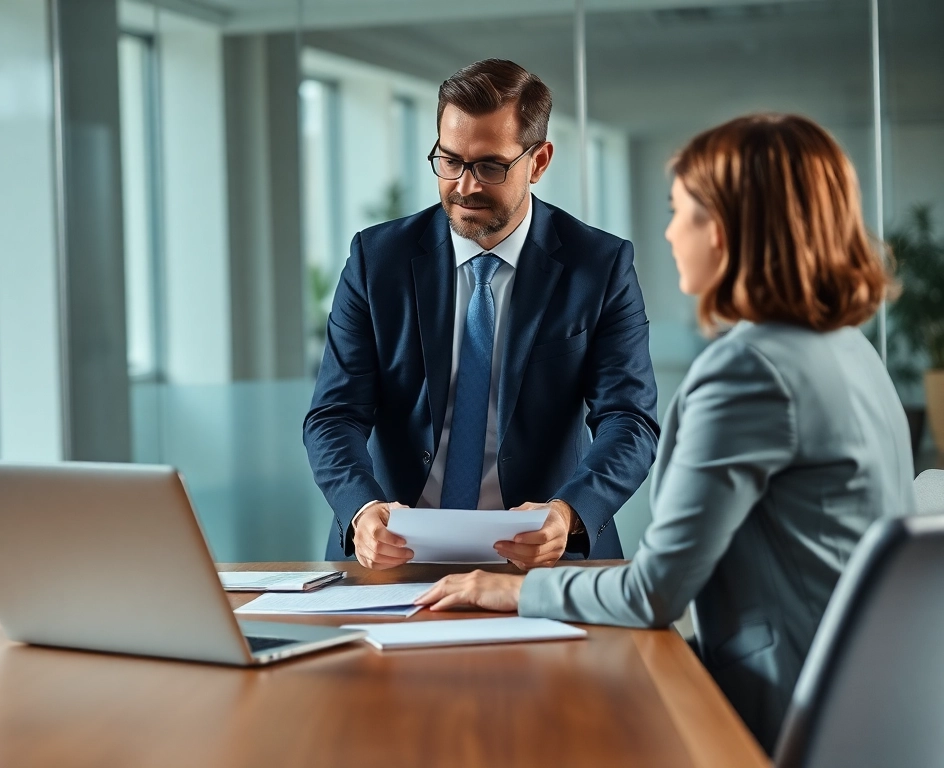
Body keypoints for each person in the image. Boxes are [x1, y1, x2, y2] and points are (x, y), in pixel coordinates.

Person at [414, 113, 917, 752]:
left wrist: (510, 590)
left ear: (728, 229)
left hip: (773, 708)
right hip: (866, 704)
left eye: (681, 211)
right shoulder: (849, 350)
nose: (670, 232)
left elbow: (654, 591)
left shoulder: (750, 370)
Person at [303, 59, 660, 569]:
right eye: (449, 161)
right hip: (395, 558)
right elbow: (334, 415)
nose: (465, 186)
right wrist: (361, 509)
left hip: (543, 558)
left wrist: (569, 513)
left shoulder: (598, 266)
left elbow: (629, 420)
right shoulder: (376, 260)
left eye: (490, 166)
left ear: (538, 163)